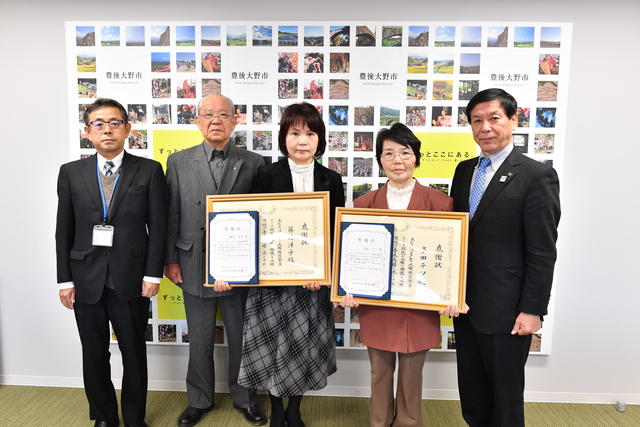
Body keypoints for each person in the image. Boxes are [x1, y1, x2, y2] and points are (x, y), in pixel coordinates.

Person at [214, 102, 344, 427]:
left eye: (310, 133)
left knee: (304, 345)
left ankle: (295, 410)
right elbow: (250, 225)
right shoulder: (266, 174)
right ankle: (275, 408)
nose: (302, 141)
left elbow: (336, 235)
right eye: (295, 133)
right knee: (273, 345)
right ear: (284, 136)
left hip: (313, 283)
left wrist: (324, 273)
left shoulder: (331, 179)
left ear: (320, 139)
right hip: (272, 282)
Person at [339, 122, 462, 427]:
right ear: (380, 160)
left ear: (416, 158)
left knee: (411, 376)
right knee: (379, 373)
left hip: (418, 307)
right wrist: (348, 288)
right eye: (389, 153)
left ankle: (408, 423)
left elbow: (450, 258)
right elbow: (353, 256)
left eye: (405, 153)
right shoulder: (364, 203)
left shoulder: (440, 203)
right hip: (378, 305)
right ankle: (379, 423)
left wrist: (453, 295)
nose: (397, 160)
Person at [450, 88, 560, 427]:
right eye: (477, 120)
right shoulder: (464, 170)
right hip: (466, 307)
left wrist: (532, 309)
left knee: (506, 400)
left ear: (514, 120)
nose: (485, 127)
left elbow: (543, 251)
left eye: (494, 118)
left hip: (509, 311)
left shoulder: (536, 175)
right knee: (473, 396)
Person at [56, 98, 168, 427]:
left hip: (131, 280)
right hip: (85, 279)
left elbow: (158, 227)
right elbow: (64, 229)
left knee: (134, 356)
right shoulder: (71, 173)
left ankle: (134, 418)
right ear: (87, 132)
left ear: (128, 129)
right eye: (99, 123)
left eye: (114, 123)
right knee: (93, 356)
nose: (107, 129)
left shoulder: (148, 170)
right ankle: (104, 418)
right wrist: (65, 280)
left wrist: (153, 275)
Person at [164, 94, 267, 427]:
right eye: (208, 114)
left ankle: (245, 399)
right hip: (192, 262)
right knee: (200, 340)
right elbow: (171, 214)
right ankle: (199, 400)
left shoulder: (253, 162)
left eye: (223, 114)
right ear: (197, 121)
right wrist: (170, 259)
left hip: (241, 267)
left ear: (235, 120)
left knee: (241, 339)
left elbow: (264, 217)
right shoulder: (179, 162)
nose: (215, 120)